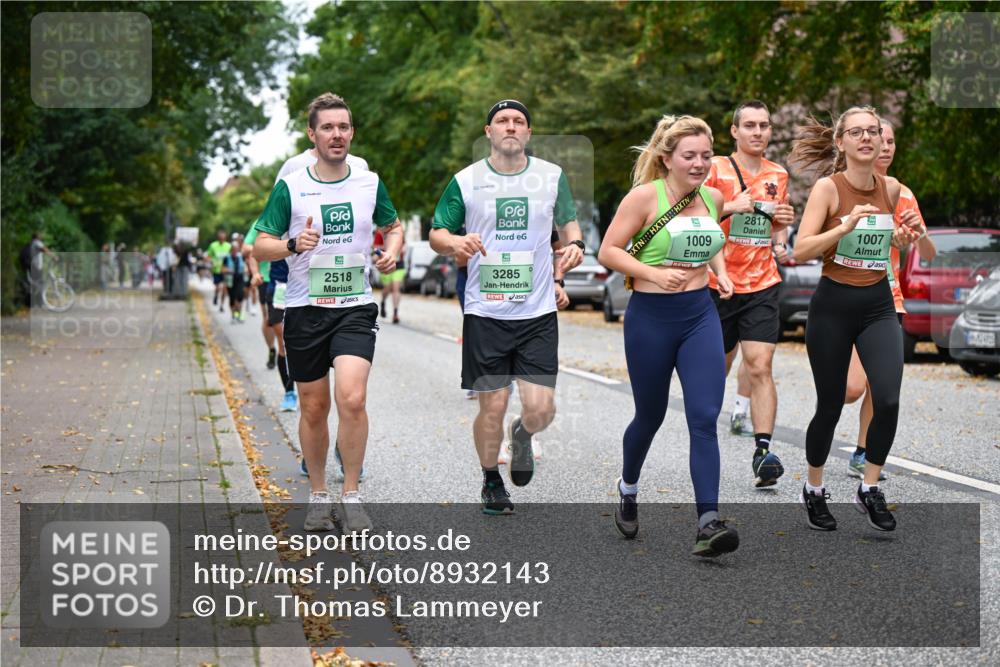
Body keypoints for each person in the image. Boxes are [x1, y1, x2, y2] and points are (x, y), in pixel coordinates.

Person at [253, 93, 403, 533]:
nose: (336, 134)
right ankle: (318, 495)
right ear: (312, 134)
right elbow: (261, 243)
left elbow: (392, 227)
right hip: (304, 309)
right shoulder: (292, 186)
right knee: (314, 407)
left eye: (343, 127)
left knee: (352, 398)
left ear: (351, 132)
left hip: (354, 306)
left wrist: (391, 252)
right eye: (327, 128)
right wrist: (292, 244)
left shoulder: (369, 182)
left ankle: (351, 494)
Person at [430, 99, 585, 516]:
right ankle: (491, 481)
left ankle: (523, 434)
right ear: (489, 132)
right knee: (492, 405)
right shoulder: (466, 181)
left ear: (529, 134)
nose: (511, 127)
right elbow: (437, 232)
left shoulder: (551, 178)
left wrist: (574, 246)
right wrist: (454, 242)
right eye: (503, 121)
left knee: (541, 409)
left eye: (519, 122)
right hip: (485, 312)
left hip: (536, 313)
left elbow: (569, 225)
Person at [598, 114, 739, 557]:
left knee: (703, 416)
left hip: (699, 315)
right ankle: (628, 486)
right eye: (689, 156)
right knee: (651, 415)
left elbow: (709, 241)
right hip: (651, 318)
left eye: (705, 155)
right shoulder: (644, 198)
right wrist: (653, 275)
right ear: (667, 159)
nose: (699, 164)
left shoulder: (713, 198)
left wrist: (722, 273)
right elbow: (608, 251)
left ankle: (708, 522)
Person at [789, 106, 921, 532]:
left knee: (888, 399)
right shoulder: (829, 189)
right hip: (833, 305)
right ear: (841, 142)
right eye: (858, 132)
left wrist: (901, 238)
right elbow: (802, 249)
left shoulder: (893, 188)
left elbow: (892, 242)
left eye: (874, 131)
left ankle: (869, 487)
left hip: (877, 304)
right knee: (830, 404)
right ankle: (813, 488)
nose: (868, 138)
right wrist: (843, 227)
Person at [704, 100, 795, 488]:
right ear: (734, 132)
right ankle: (703, 444)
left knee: (759, 365)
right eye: (750, 126)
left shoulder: (779, 174)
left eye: (764, 126)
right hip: (718, 284)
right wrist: (728, 208)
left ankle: (763, 452)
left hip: (762, 283)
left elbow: (776, 224)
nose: (758, 132)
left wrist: (782, 234)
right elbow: (695, 219)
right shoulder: (714, 169)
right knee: (715, 372)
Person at [844, 118, 936, 479]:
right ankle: (822, 425)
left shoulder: (904, 193)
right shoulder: (845, 187)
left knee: (879, 386)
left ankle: (863, 451)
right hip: (848, 294)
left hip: (888, 299)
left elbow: (927, 253)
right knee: (851, 387)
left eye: (891, 141)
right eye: (880, 139)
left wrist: (918, 233)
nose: (886, 146)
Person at [374, 228, 404, 323]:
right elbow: (375, 247)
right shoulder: (380, 232)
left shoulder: (399, 230)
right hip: (386, 262)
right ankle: (383, 301)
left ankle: (395, 313)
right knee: (387, 287)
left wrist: (402, 248)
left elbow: (404, 243)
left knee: (396, 287)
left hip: (399, 264)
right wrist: (390, 248)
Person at [19, 231, 55, 305]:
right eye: (40, 234)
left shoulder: (32, 243)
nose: (41, 235)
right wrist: (54, 256)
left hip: (33, 266)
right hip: (35, 267)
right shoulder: (37, 242)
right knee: (39, 283)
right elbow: (44, 249)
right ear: (37, 236)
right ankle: (38, 302)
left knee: (37, 284)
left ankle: (35, 302)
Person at [207, 230, 231, 312]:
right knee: (218, 287)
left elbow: (231, 257)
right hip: (216, 270)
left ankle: (221, 305)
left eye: (223, 238)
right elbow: (208, 256)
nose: (222, 240)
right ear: (218, 238)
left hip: (225, 270)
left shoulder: (228, 246)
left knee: (224, 288)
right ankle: (216, 295)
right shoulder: (213, 245)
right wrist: (211, 262)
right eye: (220, 238)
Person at [223, 239, 246, 322]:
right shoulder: (227, 257)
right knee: (232, 298)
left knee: (240, 297)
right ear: (231, 250)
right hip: (230, 280)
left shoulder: (241, 257)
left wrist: (246, 270)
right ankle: (233, 315)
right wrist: (228, 270)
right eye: (233, 249)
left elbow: (245, 266)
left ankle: (239, 315)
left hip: (239, 279)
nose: (235, 251)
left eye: (236, 249)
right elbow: (223, 269)